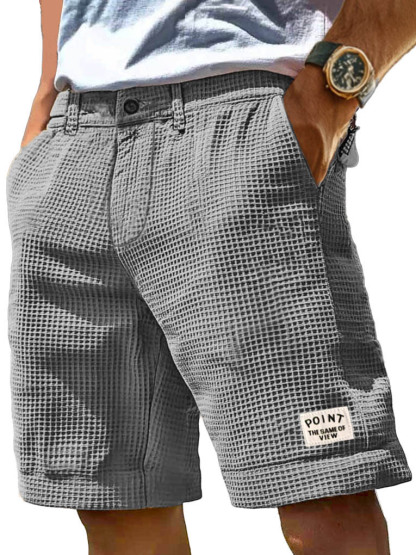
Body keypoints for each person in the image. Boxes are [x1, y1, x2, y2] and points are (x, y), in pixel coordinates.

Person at [5, 1, 415, 553]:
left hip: (237, 128)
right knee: (115, 502)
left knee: (321, 487)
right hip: (74, 142)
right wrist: (45, 101)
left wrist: (326, 98)